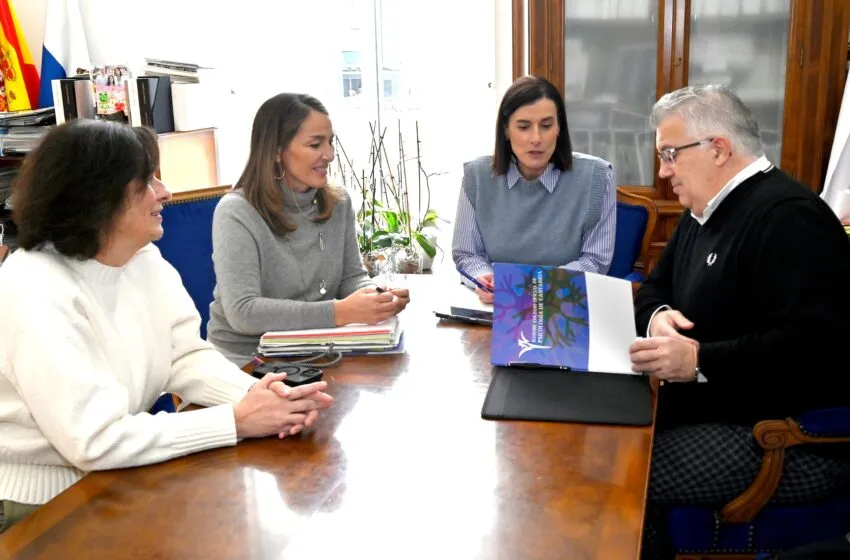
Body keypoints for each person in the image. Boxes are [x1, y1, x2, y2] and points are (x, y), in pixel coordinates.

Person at [0, 120, 334, 533]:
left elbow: (185, 357)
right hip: (41, 507)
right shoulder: (34, 287)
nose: (165, 192)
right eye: (146, 182)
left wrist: (262, 398)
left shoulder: (140, 258)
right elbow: (96, 439)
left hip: (115, 476)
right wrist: (236, 420)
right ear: (97, 197)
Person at [629, 84, 850, 559]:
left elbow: (811, 350)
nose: (663, 171)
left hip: (786, 438)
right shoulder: (702, 211)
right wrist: (660, 319)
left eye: (669, 154)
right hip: (711, 412)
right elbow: (652, 290)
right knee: (602, 444)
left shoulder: (791, 219)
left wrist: (698, 361)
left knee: (624, 474)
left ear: (718, 149)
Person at [207, 93, 409, 365]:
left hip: (318, 351)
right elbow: (243, 312)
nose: (330, 155)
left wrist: (377, 297)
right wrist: (339, 313)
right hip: (247, 361)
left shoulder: (339, 202)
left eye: (330, 142)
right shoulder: (236, 212)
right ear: (276, 151)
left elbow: (351, 278)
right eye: (315, 144)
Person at [451, 75, 616, 303]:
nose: (536, 138)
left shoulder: (597, 177)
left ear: (559, 128)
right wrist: (486, 280)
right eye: (523, 127)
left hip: (563, 303)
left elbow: (595, 261)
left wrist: (526, 288)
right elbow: (467, 254)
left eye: (546, 126)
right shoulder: (477, 177)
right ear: (506, 130)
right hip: (496, 305)